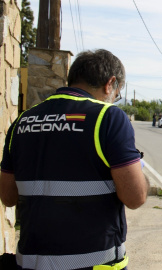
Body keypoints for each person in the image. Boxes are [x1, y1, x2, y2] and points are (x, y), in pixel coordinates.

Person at [0, 49, 149, 270]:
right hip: (95, 264)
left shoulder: (21, 122)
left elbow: (8, 196)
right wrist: (142, 178)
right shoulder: (108, 117)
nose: (113, 100)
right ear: (110, 84)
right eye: (116, 94)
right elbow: (135, 197)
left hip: (30, 264)